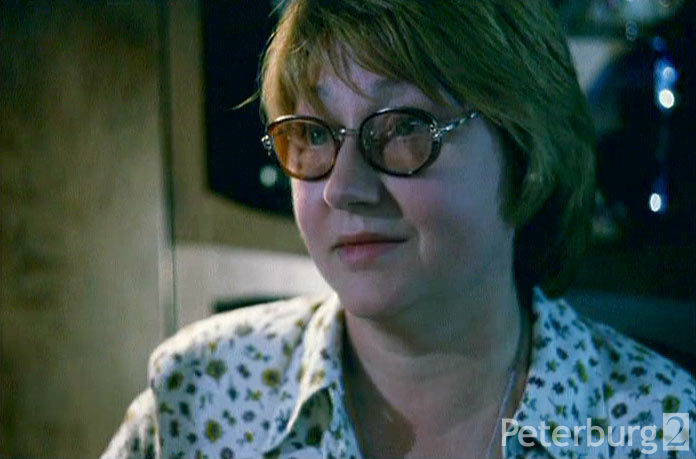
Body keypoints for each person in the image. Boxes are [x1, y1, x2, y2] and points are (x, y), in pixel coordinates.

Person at [102, 1, 695, 458]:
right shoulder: (197, 395)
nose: (342, 187)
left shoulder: (661, 427)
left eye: (405, 127)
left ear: (525, 153)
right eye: (313, 134)